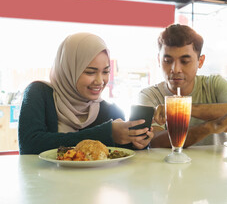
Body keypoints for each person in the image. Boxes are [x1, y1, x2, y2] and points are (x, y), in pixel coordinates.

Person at [18, 32, 153, 154]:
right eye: (90, 72)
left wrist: (137, 143)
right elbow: (30, 145)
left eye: (106, 72)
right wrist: (106, 133)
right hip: (43, 181)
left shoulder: (111, 112)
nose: (100, 81)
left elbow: (119, 158)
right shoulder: (39, 94)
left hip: (95, 182)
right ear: (69, 69)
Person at [137, 24, 227, 148]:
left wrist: (180, 108)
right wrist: (210, 127)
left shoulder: (213, 84)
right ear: (158, 60)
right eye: (167, 61)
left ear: (200, 62)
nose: (176, 69)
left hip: (214, 167)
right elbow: (155, 141)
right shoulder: (149, 95)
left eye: (185, 61)